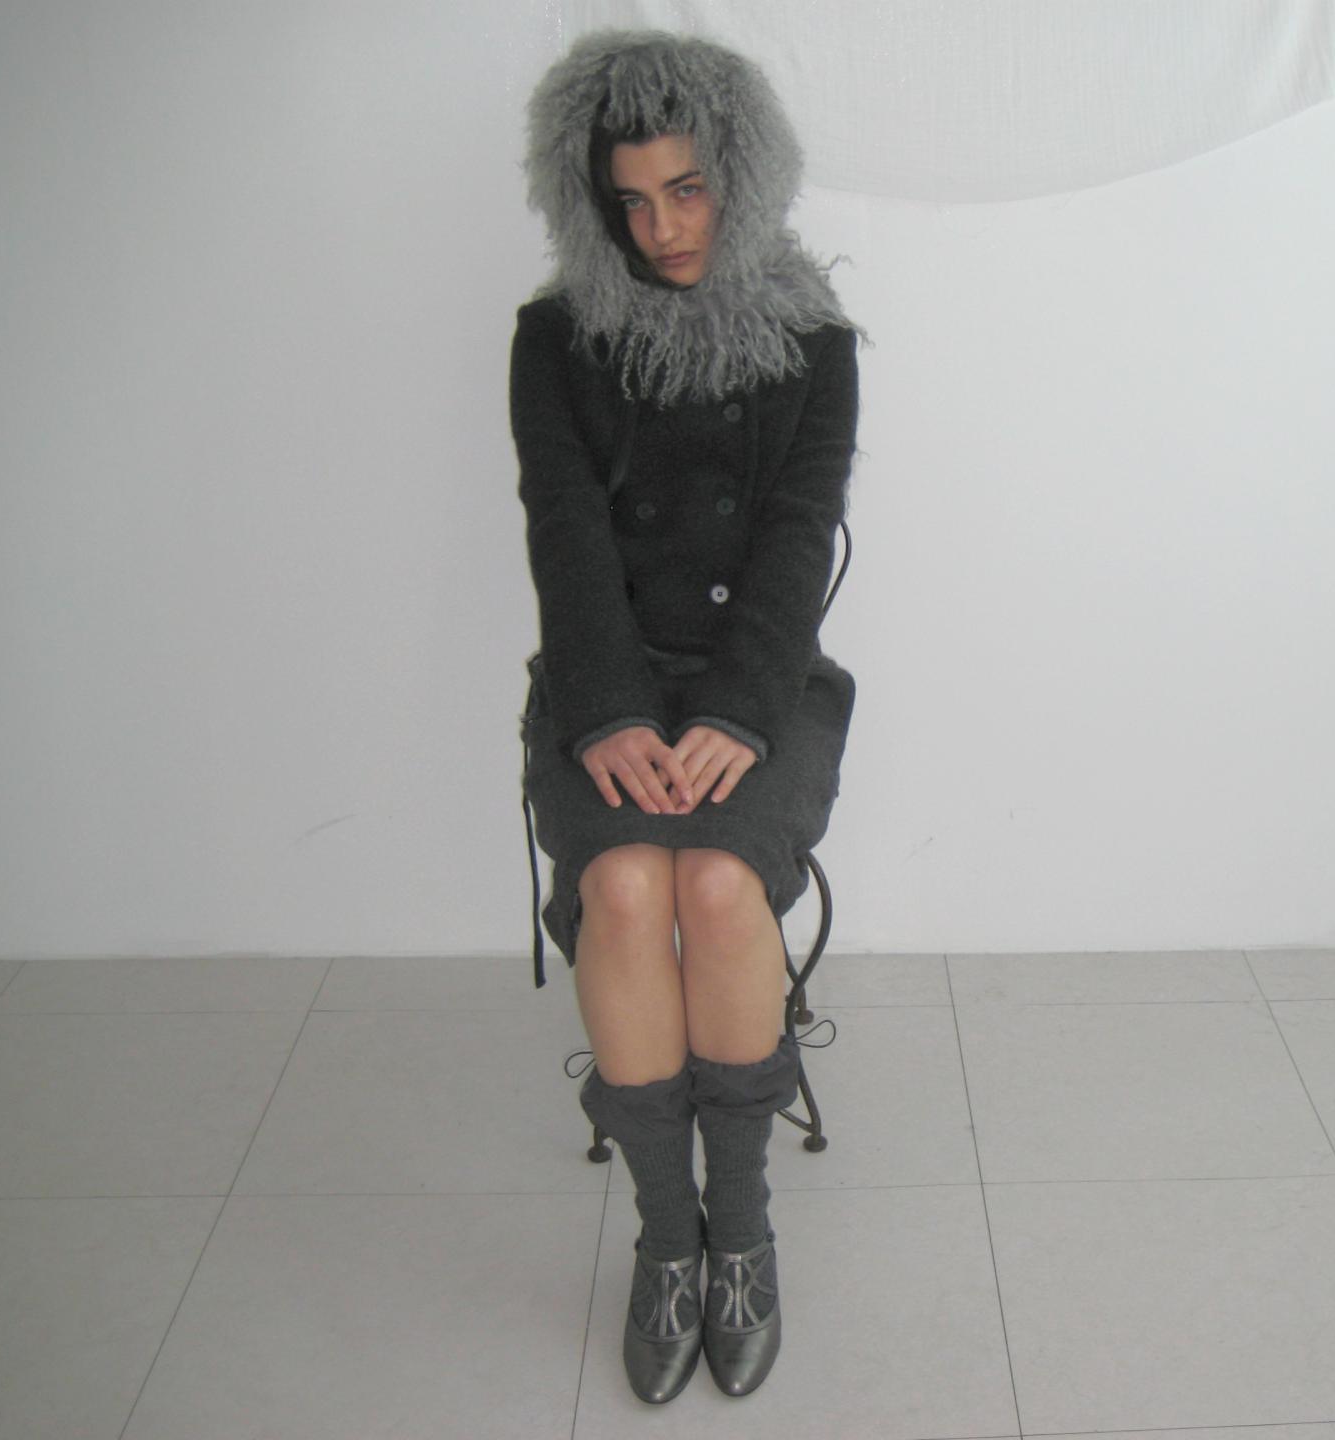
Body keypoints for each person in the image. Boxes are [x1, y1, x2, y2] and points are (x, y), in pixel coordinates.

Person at [512, 30, 860, 1404]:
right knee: (621, 883)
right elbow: (564, 531)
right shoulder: (556, 339)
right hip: (605, 680)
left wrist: (737, 709)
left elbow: (796, 534)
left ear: (742, 173)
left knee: (715, 883)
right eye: (632, 200)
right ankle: (670, 1238)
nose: (662, 227)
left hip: (757, 680)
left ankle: (745, 1233)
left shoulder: (813, 342)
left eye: (689, 189)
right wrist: (604, 711)